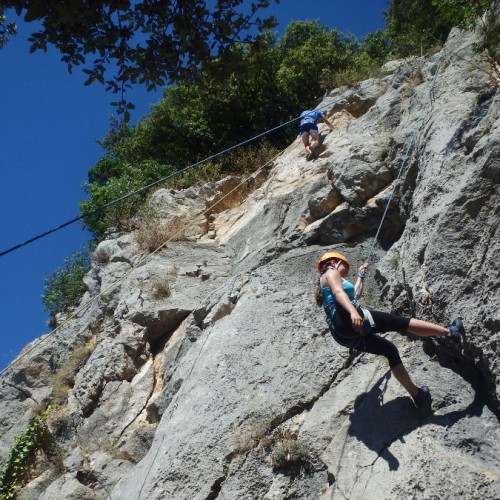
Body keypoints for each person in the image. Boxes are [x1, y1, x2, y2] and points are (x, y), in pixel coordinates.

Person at [315, 251, 465, 409]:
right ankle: (450, 332)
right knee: (401, 323)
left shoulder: (327, 282)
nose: (347, 267)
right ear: (333, 262)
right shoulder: (330, 272)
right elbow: (339, 293)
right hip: (346, 319)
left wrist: (361, 277)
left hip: (342, 334)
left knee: (390, 350)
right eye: (344, 264)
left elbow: (354, 296)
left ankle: (418, 396)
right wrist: (353, 312)